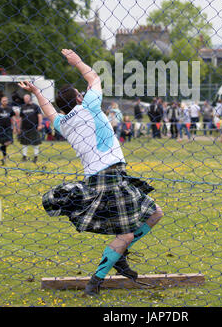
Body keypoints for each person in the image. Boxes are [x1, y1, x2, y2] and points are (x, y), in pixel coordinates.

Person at [19, 49, 163, 296]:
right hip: (110, 178)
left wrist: (37, 93)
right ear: (77, 99)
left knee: (155, 214)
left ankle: (119, 257)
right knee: (126, 234)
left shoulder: (63, 124)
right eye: (79, 93)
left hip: (105, 179)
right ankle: (94, 283)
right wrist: (77, 62)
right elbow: (94, 78)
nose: (83, 93)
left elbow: (49, 112)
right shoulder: (90, 107)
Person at [18, 94, 43, 163]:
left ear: (29, 98)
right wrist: (19, 127)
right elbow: (20, 118)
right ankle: (24, 156)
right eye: (24, 99)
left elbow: (40, 116)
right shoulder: (23, 107)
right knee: (24, 143)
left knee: (35, 143)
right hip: (24, 128)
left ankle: (35, 156)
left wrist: (40, 125)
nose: (25, 100)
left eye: (26, 98)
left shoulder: (35, 106)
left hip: (34, 127)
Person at [0, 96, 16, 167]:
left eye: (6, 100)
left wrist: (14, 127)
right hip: (1, 129)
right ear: (1, 101)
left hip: (8, 128)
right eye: (3, 101)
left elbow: (13, 117)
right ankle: (4, 159)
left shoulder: (10, 109)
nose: (5, 102)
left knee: (9, 141)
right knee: (3, 143)